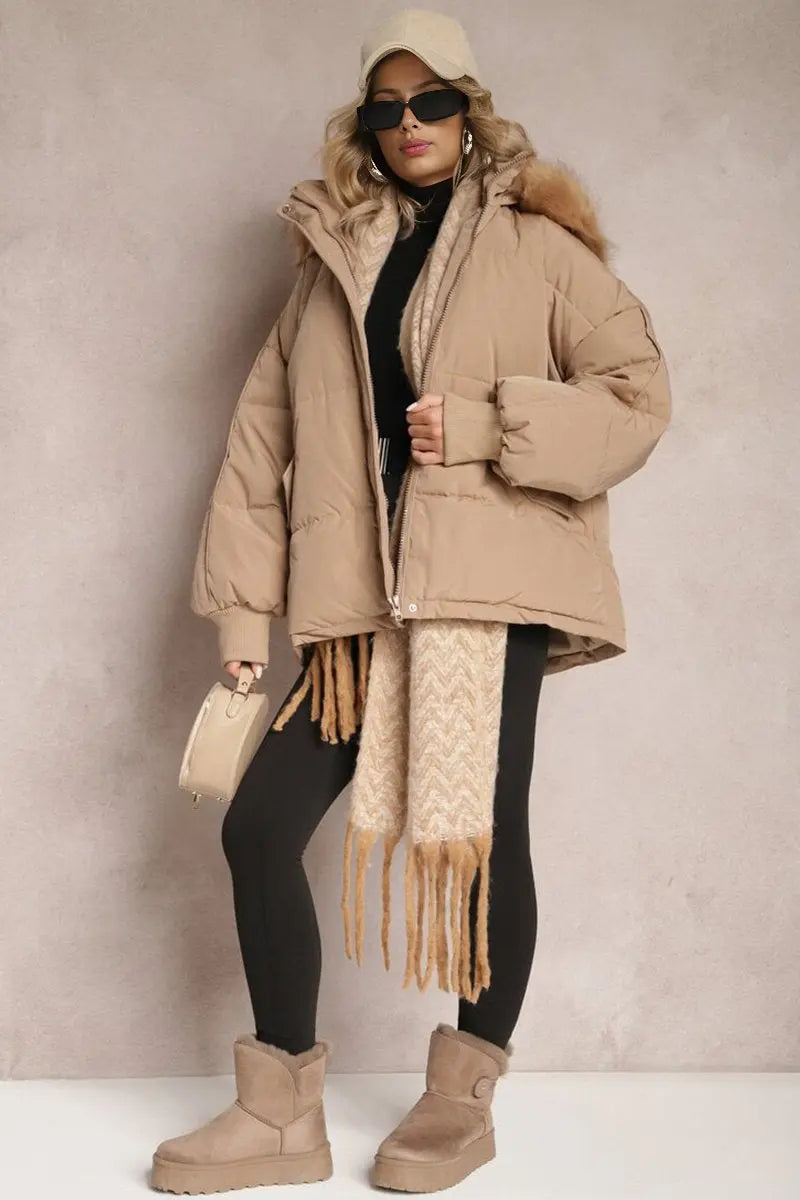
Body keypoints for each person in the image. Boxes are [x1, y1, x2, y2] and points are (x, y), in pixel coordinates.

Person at [150, 8, 671, 1196]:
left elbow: (635, 396)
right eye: (384, 109)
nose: (407, 124)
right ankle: (280, 1113)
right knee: (257, 827)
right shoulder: (330, 263)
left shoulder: (539, 247)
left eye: (430, 101)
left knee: (480, 842)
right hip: (354, 604)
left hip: (484, 589)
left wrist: (491, 427)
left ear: (469, 111)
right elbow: (258, 449)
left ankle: (459, 1102)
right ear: (365, 126)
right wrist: (242, 625)